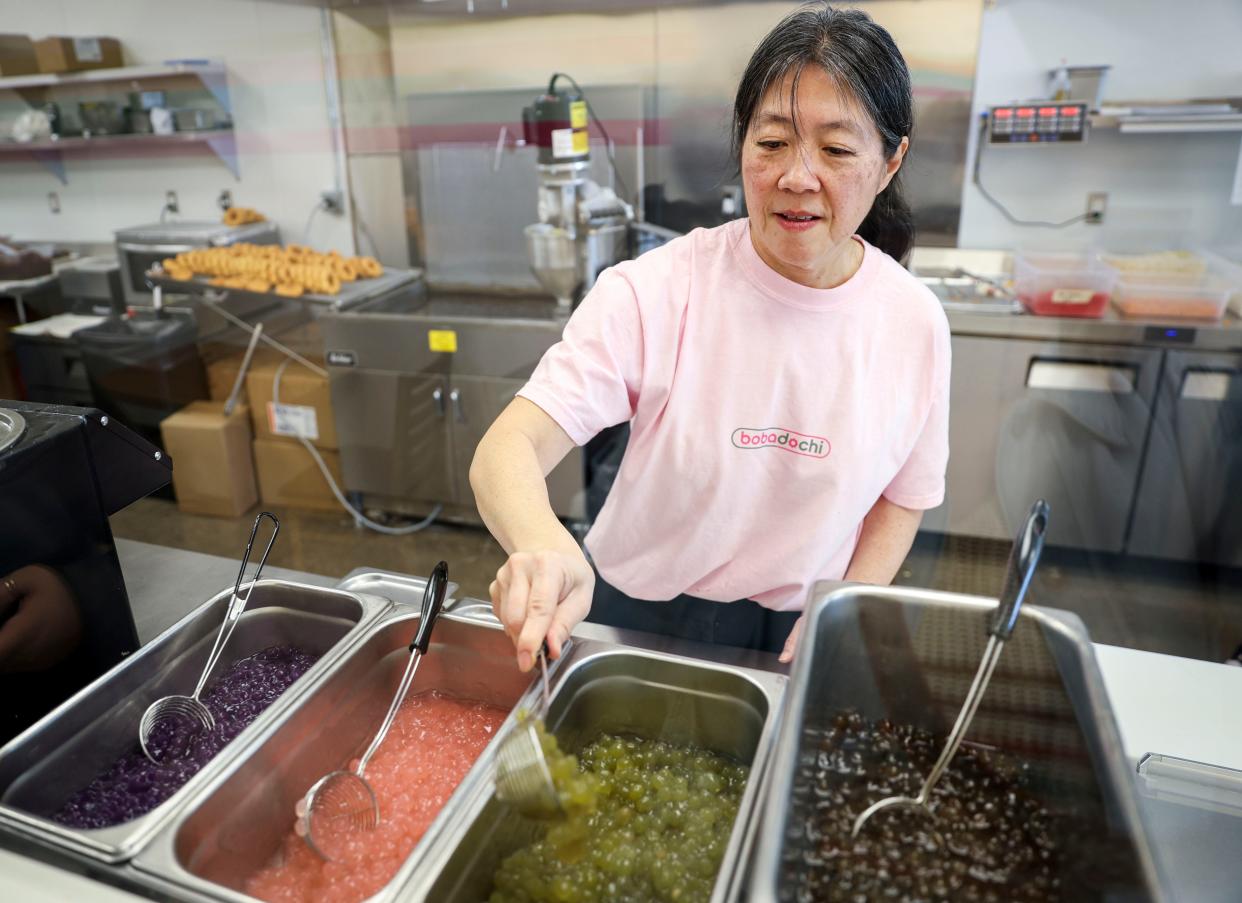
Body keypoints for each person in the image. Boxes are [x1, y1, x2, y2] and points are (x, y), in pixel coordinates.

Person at [471, 2, 950, 673]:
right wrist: (543, 542)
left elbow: (906, 493)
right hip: (633, 607)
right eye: (772, 142)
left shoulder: (913, 321)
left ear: (891, 160)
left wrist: (847, 598)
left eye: (837, 149)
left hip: (802, 617)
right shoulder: (657, 290)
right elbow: (507, 448)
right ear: (741, 142)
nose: (797, 176)